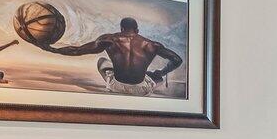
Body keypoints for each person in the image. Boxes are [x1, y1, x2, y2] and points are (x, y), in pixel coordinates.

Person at [53, 18, 184, 92]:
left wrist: (52, 49)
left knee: (102, 61)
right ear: (137, 30)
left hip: (117, 86)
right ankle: (155, 77)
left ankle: (115, 81)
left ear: (121, 28)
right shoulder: (151, 45)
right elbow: (177, 60)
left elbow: (77, 50)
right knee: (157, 77)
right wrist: (161, 72)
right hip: (141, 90)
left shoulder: (109, 40)